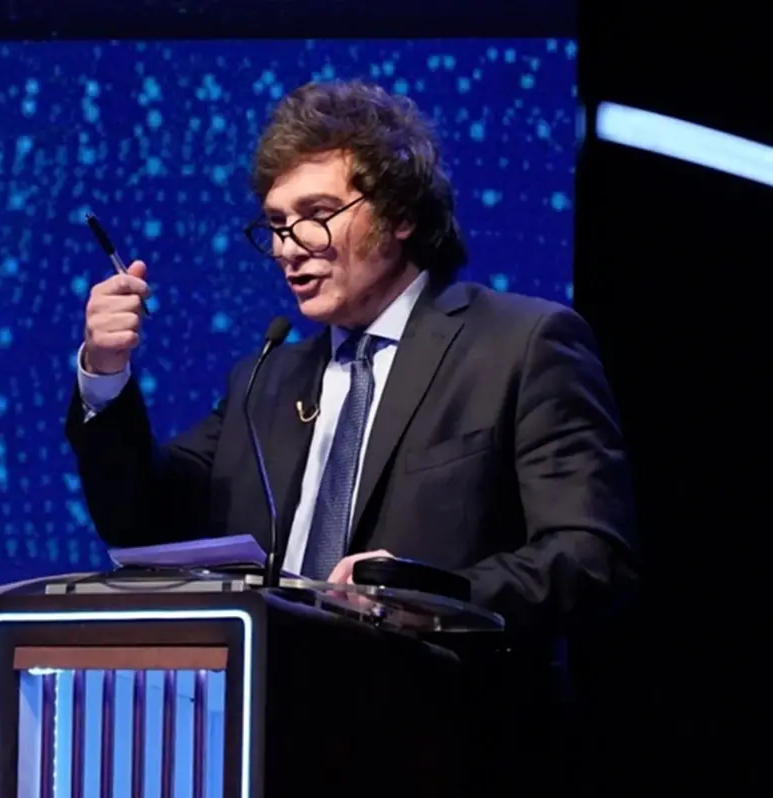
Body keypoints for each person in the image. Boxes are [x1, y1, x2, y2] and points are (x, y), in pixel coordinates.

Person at [65, 80, 639, 790]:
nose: (289, 247)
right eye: (276, 224)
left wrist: (428, 598)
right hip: (269, 754)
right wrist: (105, 372)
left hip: (446, 751)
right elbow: (143, 524)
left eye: (316, 216)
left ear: (400, 213)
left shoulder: (521, 345)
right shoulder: (264, 380)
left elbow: (591, 558)